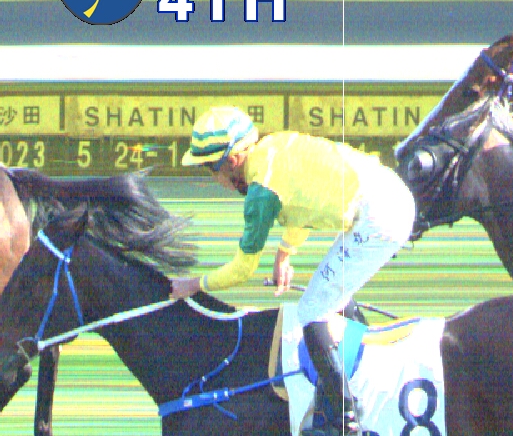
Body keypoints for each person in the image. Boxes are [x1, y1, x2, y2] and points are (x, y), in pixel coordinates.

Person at [170, 106, 414, 436]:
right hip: (389, 195)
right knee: (331, 297)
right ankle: (359, 379)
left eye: (211, 169)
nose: (215, 180)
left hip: (379, 216)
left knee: (312, 310)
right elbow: (304, 203)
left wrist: (194, 284)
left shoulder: (260, 192)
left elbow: (242, 269)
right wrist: (285, 253)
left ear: (233, 161)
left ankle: (345, 419)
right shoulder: (274, 146)